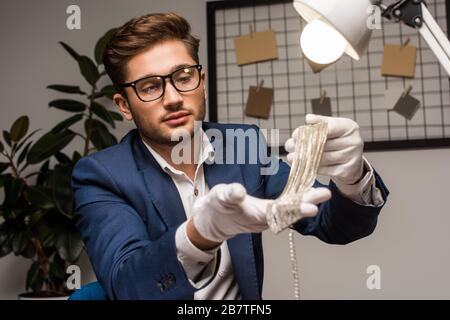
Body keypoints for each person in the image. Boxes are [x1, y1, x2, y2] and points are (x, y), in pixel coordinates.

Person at [71, 12, 389, 300]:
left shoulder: (241, 147)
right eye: (150, 87)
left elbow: (333, 225)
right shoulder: (101, 175)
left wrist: (351, 176)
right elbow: (127, 287)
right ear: (124, 105)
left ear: (202, 83)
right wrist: (199, 235)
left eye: (183, 78)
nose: (172, 98)